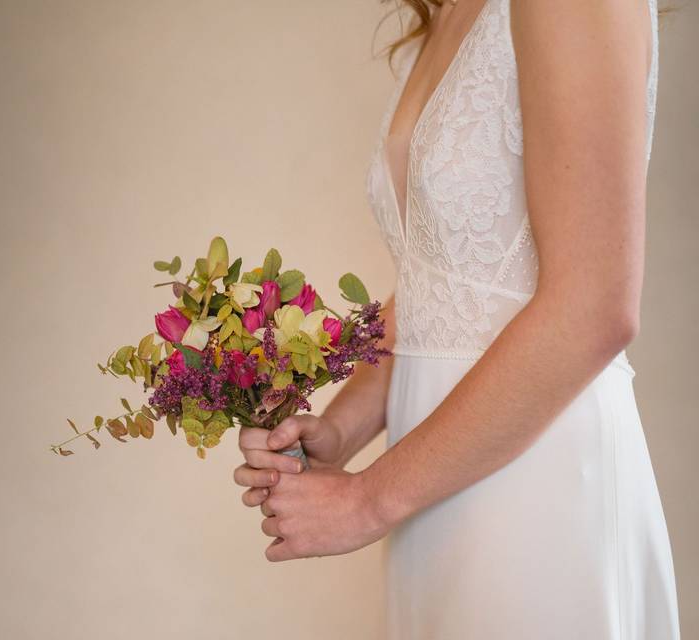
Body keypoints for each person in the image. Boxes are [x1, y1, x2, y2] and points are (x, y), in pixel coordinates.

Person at [233, 0, 681, 637]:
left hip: (537, 477)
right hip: (433, 483)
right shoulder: (446, 12)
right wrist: (338, 431)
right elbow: (445, 285)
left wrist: (369, 499)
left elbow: (595, 307)